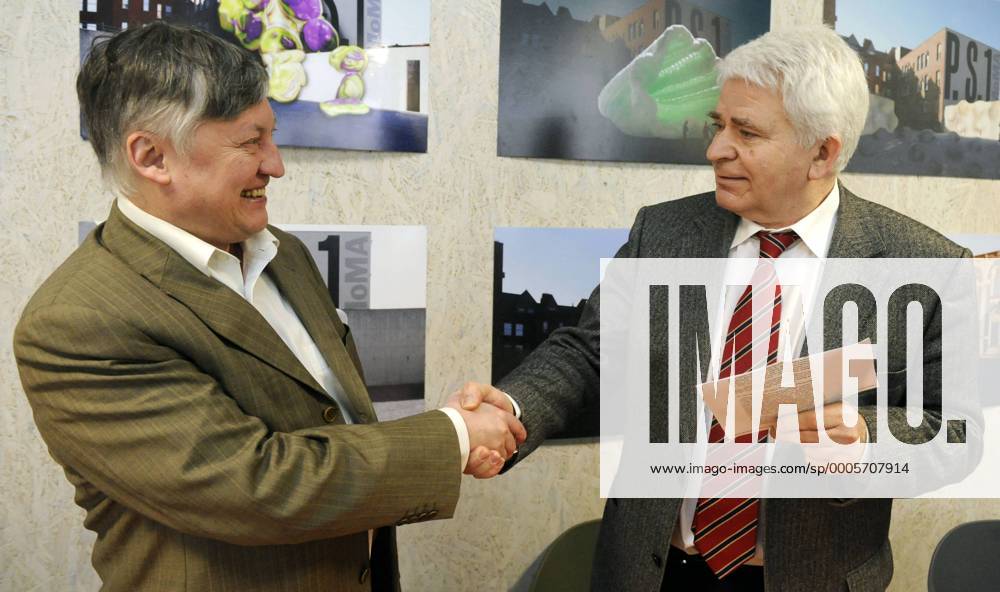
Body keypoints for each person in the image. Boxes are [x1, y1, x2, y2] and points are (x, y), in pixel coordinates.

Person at [13, 22, 522, 592]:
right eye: (250, 142)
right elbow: (257, 488)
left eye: (271, 137)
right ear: (152, 156)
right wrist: (454, 436)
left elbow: (334, 424)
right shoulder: (78, 322)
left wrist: (459, 431)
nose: (276, 165)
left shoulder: (286, 253)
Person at [460, 26, 970, 591]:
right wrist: (510, 408)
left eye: (745, 132)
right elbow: (589, 351)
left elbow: (956, 432)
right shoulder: (664, 230)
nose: (714, 150)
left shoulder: (926, 264)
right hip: (652, 572)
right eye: (717, 125)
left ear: (822, 153)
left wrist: (868, 441)